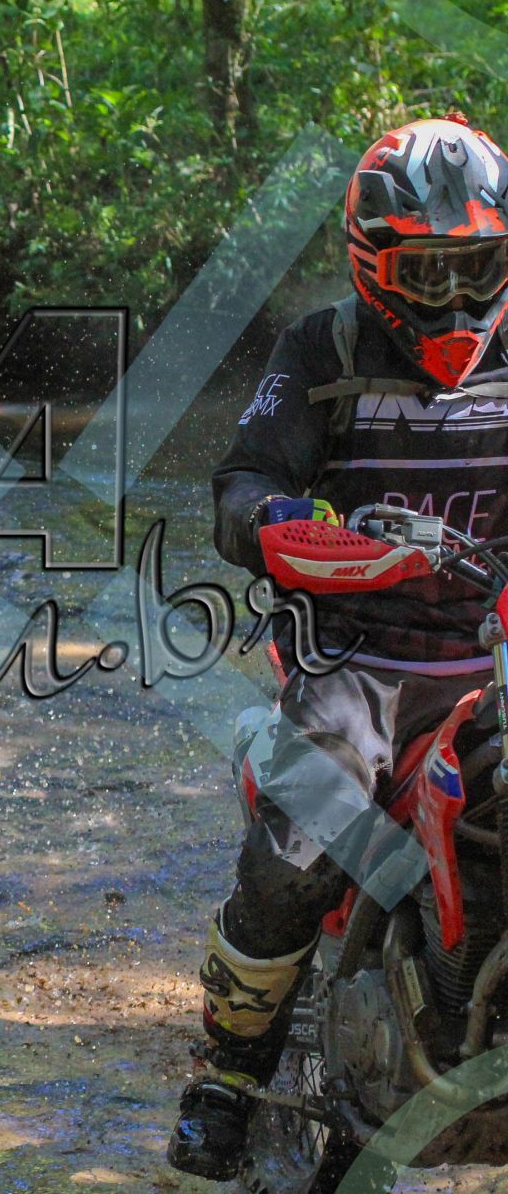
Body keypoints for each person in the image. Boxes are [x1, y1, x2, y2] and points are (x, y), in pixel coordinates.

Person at [168, 113, 508, 1180]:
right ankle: (227, 1075)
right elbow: (242, 483)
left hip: (494, 660)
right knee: (299, 849)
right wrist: (283, 526)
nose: (456, 297)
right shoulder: (324, 349)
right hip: (357, 664)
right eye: (428, 272)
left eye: (478, 268)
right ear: (374, 265)